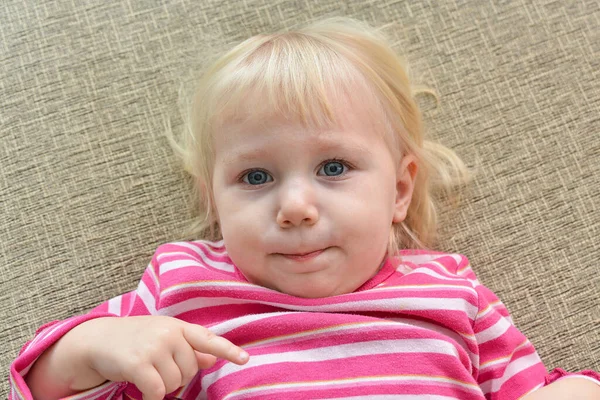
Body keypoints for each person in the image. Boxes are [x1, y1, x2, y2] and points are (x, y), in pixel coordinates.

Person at [9, 17, 600, 400]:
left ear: (398, 191)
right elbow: (38, 387)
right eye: (256, 176)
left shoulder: (453, 292)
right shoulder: (184, 283)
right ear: (213, 199)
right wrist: (95, 347)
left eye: (334, 168)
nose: (294, 206)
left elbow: (529, 388)